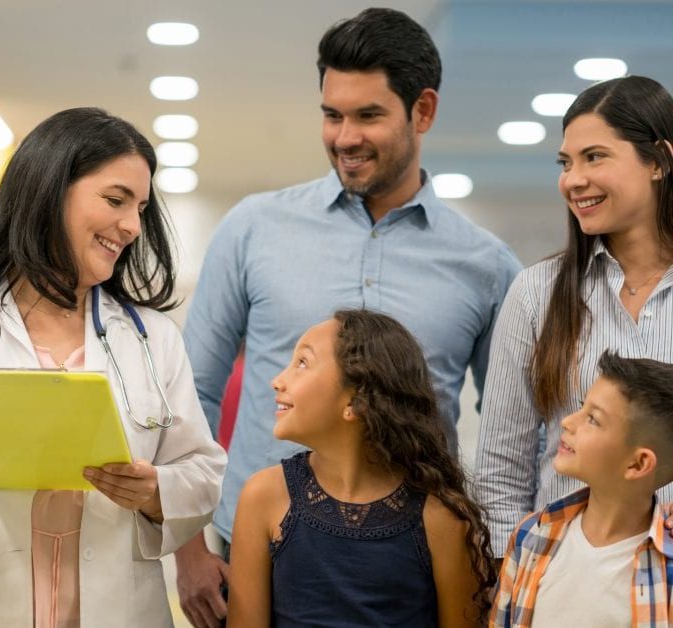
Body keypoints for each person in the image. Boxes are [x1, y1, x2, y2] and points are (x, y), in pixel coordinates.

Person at [176, 8, 521, 625]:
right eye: (332, 115)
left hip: (414, 560)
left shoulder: (487, 266)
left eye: (368, 115)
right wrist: (188, 547)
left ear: (424, 111)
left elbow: (510, 434)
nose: (344, 136)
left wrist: (488, 551)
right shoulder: (254, 229)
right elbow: (191, 395)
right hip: (252, 549)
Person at [0, 107, 226, 627]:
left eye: (141, 207)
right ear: (49, 190)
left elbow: (201, 470)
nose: (131, 225)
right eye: (115, 200)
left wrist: (156, 492)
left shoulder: (150, 338)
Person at [475, 75, 673, 559]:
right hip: (563, 582)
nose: (573, 179)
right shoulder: (537, 294)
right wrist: (516, 577)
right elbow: (500, 470)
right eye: (566, 162)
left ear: (659, 161)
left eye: (595, 157)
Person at [228, 310, 496, 627]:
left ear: (356, 402)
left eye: (302, 363)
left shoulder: (442, 517)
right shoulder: (263, 497)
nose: (278, 380)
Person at [490, 352, 673, 627]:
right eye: (580, 406)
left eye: (593, 419)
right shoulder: (531, 535)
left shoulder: (667, 568)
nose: (567, 422)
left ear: (638, 463)